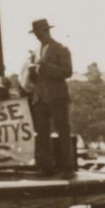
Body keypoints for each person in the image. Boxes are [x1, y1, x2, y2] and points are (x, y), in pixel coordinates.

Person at [29, 18, 74, 172]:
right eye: (35, 33)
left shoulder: (61, 49)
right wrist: (32, 72)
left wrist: (45, 65)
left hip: (57, 97)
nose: (37, 36)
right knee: (42, 134)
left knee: (63, 131)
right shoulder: (35, 51)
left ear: (46, 31)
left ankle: (68, 167)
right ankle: (46, 167)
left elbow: (67, 72)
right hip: (40, 97)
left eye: (38, 33)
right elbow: (36, 77)